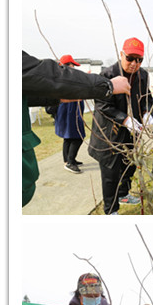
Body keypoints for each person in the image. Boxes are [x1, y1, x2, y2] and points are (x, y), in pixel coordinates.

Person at [22, 51, 130, 207]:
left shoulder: (63, 87)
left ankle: (68, 160)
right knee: (73, 138)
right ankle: (69, 161)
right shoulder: (59, 80)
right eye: (71, 66)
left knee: (70, 138)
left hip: (73, 115)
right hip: (69, 118)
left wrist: (57, 97)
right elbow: (46, 75)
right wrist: (107, 86)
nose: (73, 68)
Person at [88, 37, 153, 215]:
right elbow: (103, 106)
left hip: (131, 134)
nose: (135, 63)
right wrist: (125, 119)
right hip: (110, 133)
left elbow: (146, 97)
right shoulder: (107, 75)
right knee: (110, 172)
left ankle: (123, 194)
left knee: (129, 165)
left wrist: (147, 112)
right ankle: (111, 210)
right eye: (130, 58)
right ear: (121, 54)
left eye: (139, 59)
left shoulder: (143, 76)